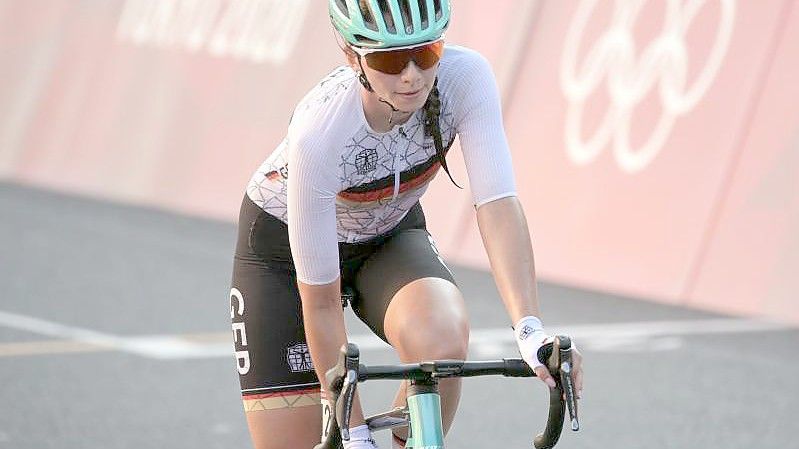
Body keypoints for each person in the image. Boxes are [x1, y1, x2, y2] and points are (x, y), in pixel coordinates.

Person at [229, 1, 584, 448]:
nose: (412, 76)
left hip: (387, 235)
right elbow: (319, 304)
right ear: (351, 54)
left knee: (443, 338)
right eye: (390, 60)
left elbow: (496, 203)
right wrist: (354, 432)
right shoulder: (320, 130)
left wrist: (530, 330)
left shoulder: (466, 78)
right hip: (284, 254)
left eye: (426, 53)